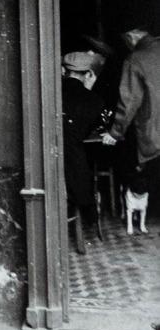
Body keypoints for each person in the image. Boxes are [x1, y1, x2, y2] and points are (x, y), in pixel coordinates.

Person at [102, 27, 160, 198]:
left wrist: (115, 132)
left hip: (155, 131)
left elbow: (130, 100)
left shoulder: (135, 58)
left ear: (131, 35)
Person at [62, 51, 106, 252]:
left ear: (64, 71)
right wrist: (88, 90)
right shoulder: (94, 100)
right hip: (75, 172)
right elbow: (96, 128)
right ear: (89, 74)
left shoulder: (52, 92)